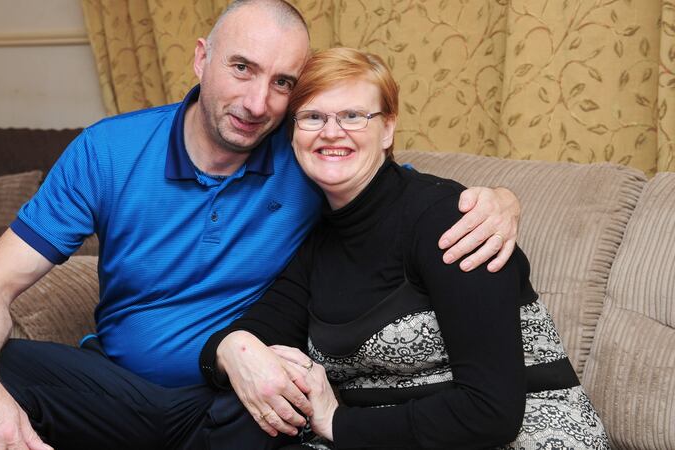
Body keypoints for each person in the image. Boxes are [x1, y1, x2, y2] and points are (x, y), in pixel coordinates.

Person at [0, 1, 521, 449]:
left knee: (282, 399)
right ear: (202, 58)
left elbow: (394, 190)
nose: (259, 102)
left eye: (282, 83)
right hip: (123, 389)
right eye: (242, 68)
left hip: (238, 400)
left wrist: (496, 201)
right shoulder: (108, 151)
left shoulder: (307, 153)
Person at [200, 47, 609, 449]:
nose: (330, 131)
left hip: (531, 431)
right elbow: (254, 332)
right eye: (312, 117)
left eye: (353, 116)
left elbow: (491, 412)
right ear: (293, 135)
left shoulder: (452, 219)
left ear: (389, 130)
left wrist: (337, 423)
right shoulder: (318, 242)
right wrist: (231, 349)